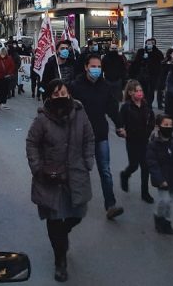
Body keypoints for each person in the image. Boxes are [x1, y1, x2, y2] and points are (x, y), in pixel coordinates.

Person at [26, 80, 95, 283]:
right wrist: (38, 168)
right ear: (49, 97)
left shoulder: (80, 113)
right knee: (55, 221)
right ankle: (60, 261)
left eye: (63, 93)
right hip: (51, 179)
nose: (61, 97)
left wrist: (87, 161)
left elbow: (89, 138)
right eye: (56, 94)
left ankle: (62, 237)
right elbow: (32, 143)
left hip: (76, 175)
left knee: (77, 214)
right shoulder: (42, 120)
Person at [69, 55, 126, 220]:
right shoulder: (76, 86)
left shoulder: (105, 86)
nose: (96, 69)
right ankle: (75, 202)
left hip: (100, 134)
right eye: (93, 66)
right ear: (86, 67)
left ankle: (110, 205)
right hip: (80, 136)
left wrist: (120, 125)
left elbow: (112, 108)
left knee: (105, 170)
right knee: (79, 170)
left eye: (99, 66)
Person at [119, 80, 155, 203]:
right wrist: (122, 131)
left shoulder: (146, 105)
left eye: (140, 91)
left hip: (145, 140)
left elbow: (152, 120)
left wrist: (150, 130)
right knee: (134, 165)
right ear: (130, 93)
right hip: (132, 141)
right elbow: (120, 124)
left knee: (146, 167)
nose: (139, 93)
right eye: (136, 91)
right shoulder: (126, 107)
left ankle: (145, 193)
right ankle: (125, 174)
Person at [129, 38, 164, 108]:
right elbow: (136, 62)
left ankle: (149, 104)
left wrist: (153, 51)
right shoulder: (141, 51)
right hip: (142, 76)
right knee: (142, 89)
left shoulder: (157, 52)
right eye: (148, 44)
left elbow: (161, 60)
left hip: (153, 75)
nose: (150, 45)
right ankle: (142, 103)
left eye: (151, 44)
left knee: (151, 91)